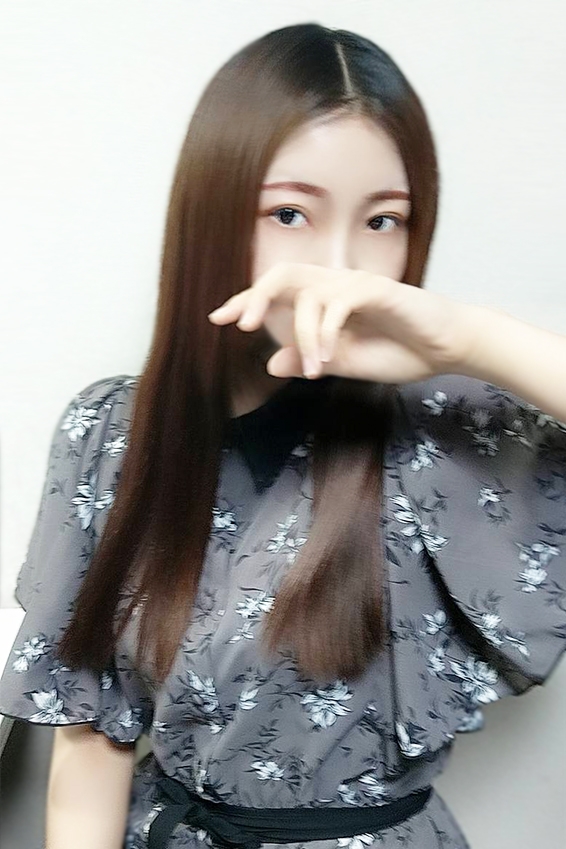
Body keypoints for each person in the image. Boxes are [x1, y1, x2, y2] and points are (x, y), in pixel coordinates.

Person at [0, 22, 564, 849]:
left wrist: (465, 337)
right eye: (290, 213)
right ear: (215, 216)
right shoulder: (110, 433)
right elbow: (91, 743)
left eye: (384, 221)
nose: (340, 262)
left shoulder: (450, 422)